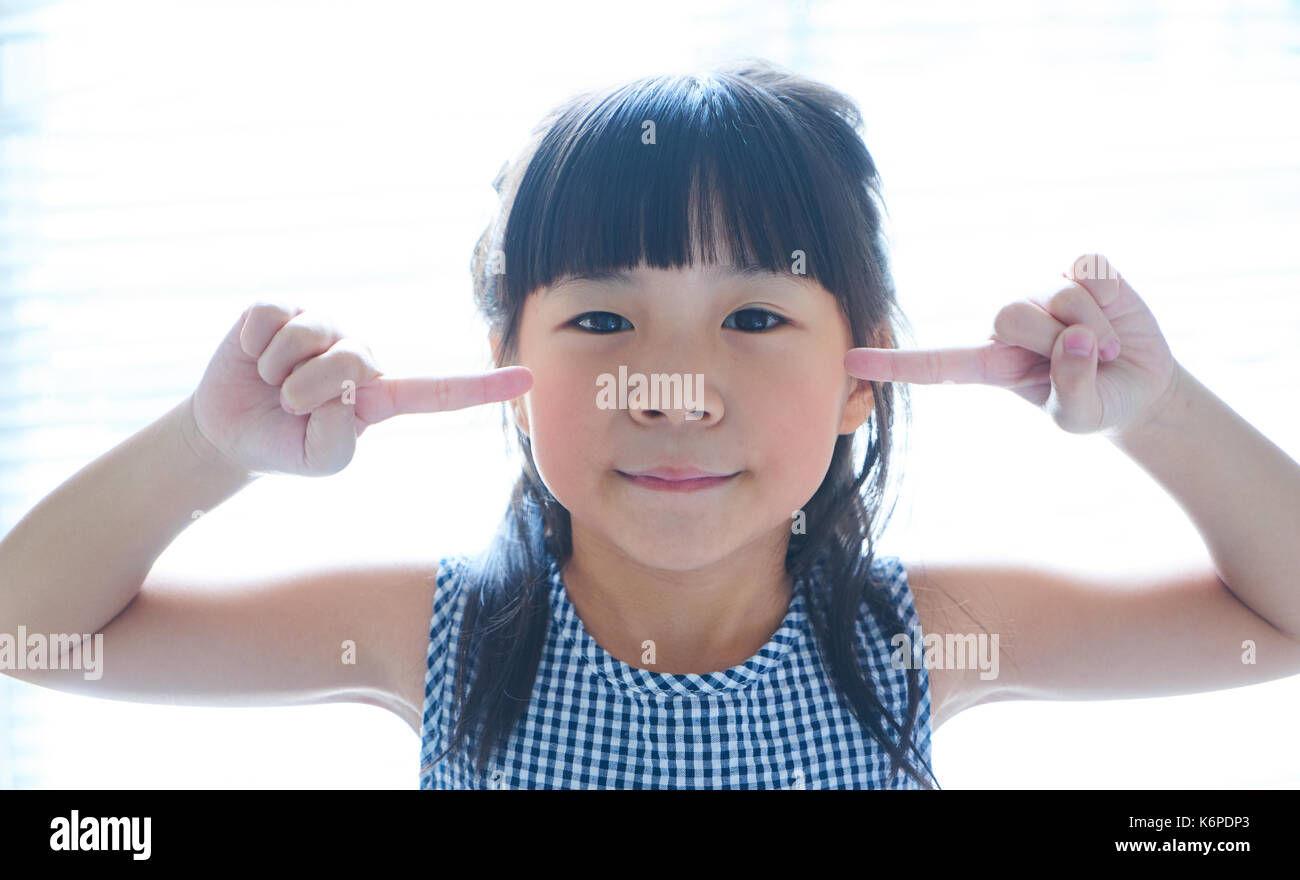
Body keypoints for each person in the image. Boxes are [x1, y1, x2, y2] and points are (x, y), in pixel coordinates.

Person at [4, 59, 1299, 790]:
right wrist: (207, 451)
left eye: (753, 321)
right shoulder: (443, 636)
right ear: (507, 367)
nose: (674, 389)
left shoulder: (916, 641)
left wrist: (1159, 412)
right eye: (603, 325)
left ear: (865, 375)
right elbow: (28, 634)